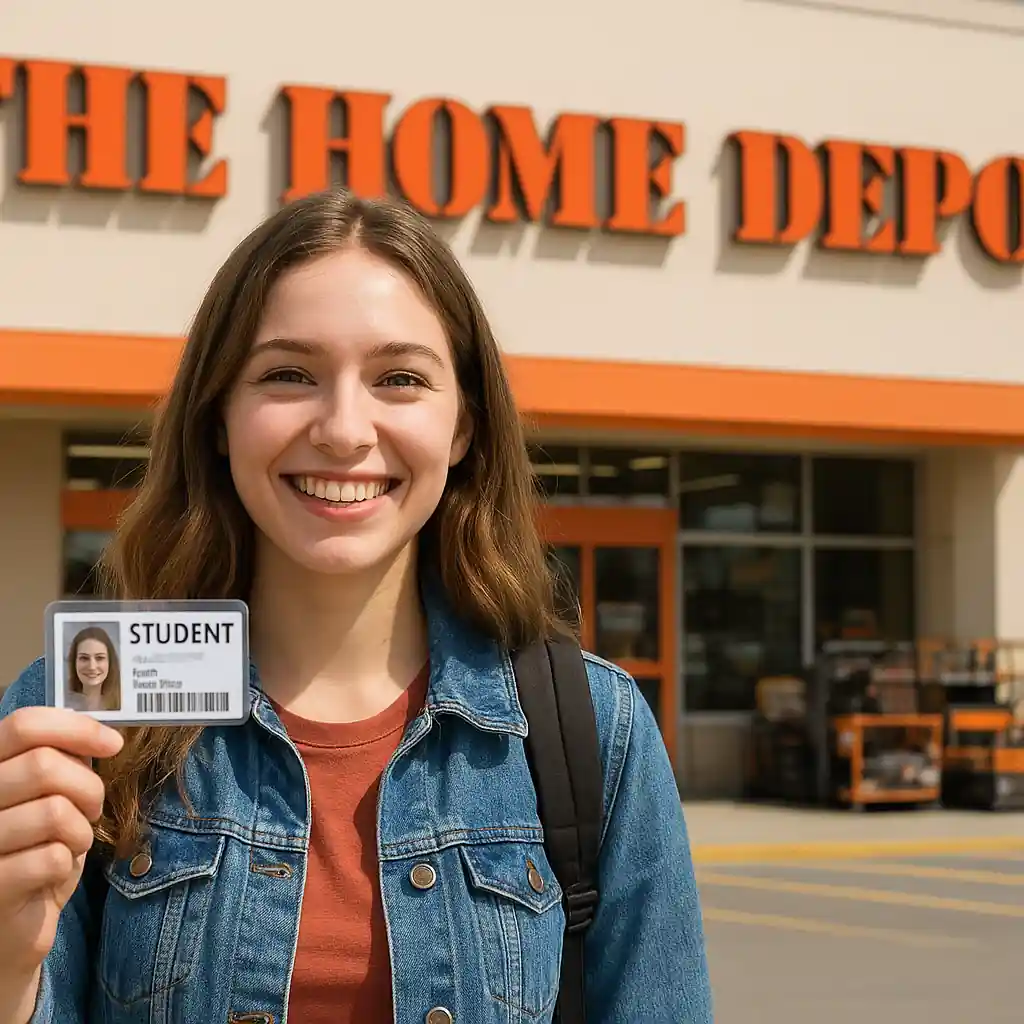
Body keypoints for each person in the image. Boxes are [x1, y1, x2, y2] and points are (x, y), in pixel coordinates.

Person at [0, 188, 713, 1024]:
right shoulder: (78, 717)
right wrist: (8, 965)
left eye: (400, 378)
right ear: (219, 417)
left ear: (463, 430)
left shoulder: (596, 729)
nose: (344, 429)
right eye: (288, 374)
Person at [64, 627, 121, 713]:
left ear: (110, 662)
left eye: (99, 658)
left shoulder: (125, 706)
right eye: (84, 658)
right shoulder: (61, 706)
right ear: (74, 662)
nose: (92, 667)